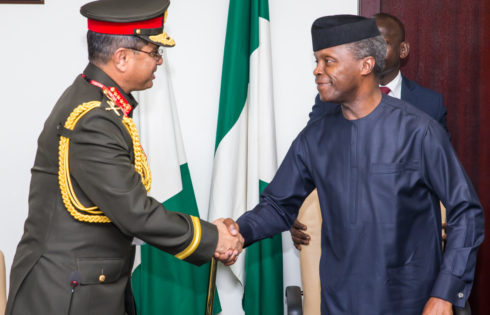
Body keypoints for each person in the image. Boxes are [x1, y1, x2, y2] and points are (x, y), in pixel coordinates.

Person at [235, 15, 484, 314]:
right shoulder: (314, 138)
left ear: (365, 65)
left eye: (328, 61)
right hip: (340, 302)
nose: (317, 70)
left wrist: (444, 294)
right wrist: (236, 233)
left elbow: (466, 211)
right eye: (316, 60)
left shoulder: (419, 132)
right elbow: (278, 205)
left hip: (411, 303)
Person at [6, 1, 242, 314]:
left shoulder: (99, 103)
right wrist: (212, 239)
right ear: (122, 57)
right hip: (66, 296)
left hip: (87, 286)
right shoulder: (94, 117)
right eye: (154, 52)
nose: (159, 61)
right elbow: (135, 212)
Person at [292, 12, 450, 249]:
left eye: (382, 44)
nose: (373, 51)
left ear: (403, 49)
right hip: (348, 234)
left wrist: (448, 214)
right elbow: (309, 161)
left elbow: (443, 172)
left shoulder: (429, 105)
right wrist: (295, 208)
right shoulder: (330, 100)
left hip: (410, 236)